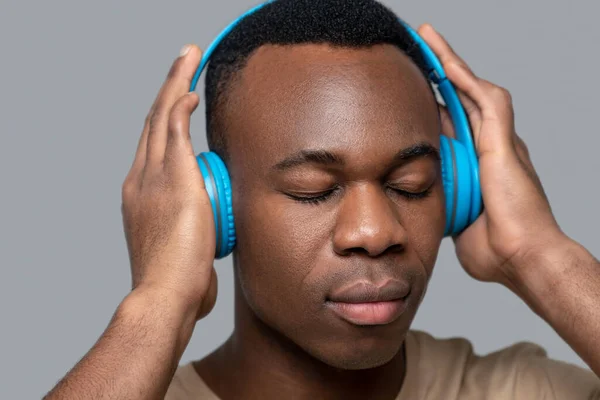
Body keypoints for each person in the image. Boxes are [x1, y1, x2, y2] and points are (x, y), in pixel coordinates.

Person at [44, 0, 600, 399]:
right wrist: (159, 303)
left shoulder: (529, 390)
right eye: (314, 190)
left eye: (413, 185)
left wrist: (542, 256)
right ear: (211, 205)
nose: (375, 232)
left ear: (459, 192)